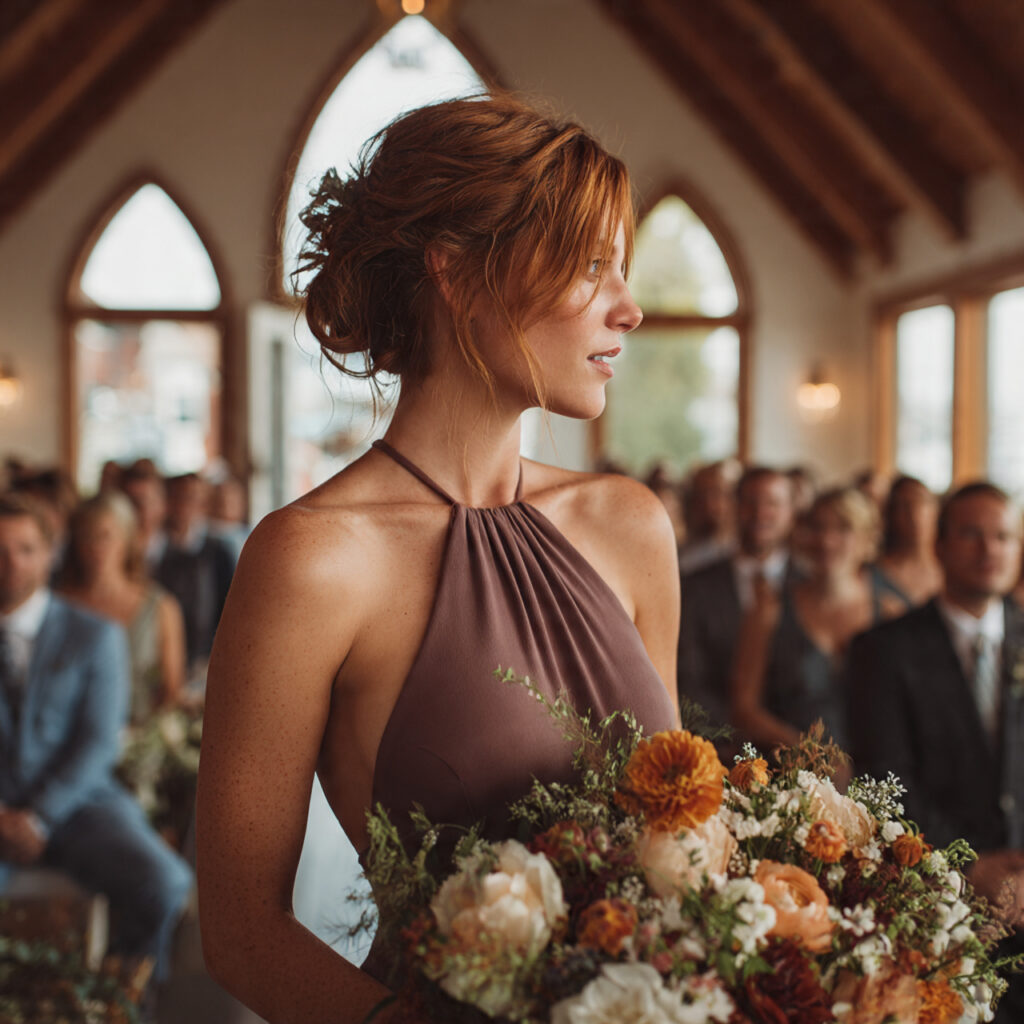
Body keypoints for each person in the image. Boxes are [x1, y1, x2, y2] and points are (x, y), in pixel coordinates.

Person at [196, 95, 680, 1024]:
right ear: (456, 273)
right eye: (590, 266)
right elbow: (240, 931)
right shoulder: (312, 560)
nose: (631, 305)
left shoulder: (630, 524)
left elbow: (681, 822)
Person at [847, 482, 1024, 1023]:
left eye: (1003, 536)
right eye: (971, 534)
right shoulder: (883, 650)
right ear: (939, 546)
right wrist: (968, 867)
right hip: (939, 896)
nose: (989, 549)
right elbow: (885, 779)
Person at [0, 493, 192, 980]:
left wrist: (39, 817)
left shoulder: (93, 634)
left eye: (24, 549)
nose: (11, 565)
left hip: (79, 804)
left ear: (48, 553)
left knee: (165, 882)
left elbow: (97, 742)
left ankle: (120, 1002)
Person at [731, 488, 902, 754]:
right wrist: (809, 752)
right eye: (818, 528)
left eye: (843, 529)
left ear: (867, 538)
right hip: (793, 778)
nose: (827, 541)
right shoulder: (769, 610)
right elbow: (744, 708)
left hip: (879, 777)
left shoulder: (891, 612)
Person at [677, 465, 795, 746]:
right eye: (750, 502)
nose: (760, 513)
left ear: (791, 512)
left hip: (802, 751)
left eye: (772, 503)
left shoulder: (811, 585)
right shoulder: (695, 586)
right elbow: (688, 678)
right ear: (735, 507)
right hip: (721, 748)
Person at [59, 491, 187, 725]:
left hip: (139, 741)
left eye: (105, 536)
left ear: (127, 540)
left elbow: (171, 691)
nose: (96, 547)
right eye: (86, 537)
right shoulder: (57, 604)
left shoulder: (160, 606)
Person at [155, 473, 235, 679]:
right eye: (178, 497)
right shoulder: (154, 546)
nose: (184, 505)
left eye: (192, 498)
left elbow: (229, 605)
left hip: (204, 658)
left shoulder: (218, 550)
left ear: (203, 504)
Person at [873, 474, 942, 606]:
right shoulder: (874, 574)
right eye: (903, 505)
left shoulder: (952, 569)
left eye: (921, 502)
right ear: (890, 515)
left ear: (936, 510)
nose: (913, 514)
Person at [677, 460, 736, 574]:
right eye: (701, 494)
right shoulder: (682, 555)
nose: (709, 503)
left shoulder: (745, 555)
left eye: (717, 493)